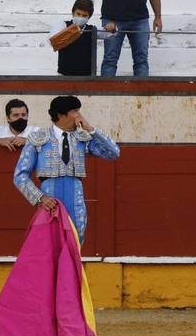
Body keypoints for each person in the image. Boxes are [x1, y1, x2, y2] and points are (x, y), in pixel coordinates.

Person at [14, 95, 120, 245]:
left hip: (75, 203)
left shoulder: (83, 138)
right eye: (75, 111)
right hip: (50, 202)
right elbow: (20, 176)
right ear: (61, 115)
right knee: (48, 248)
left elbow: (113, 153)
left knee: (74, 245)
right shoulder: (38, 138)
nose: (79, 115)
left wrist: (90, 129)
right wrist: (40, 198)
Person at [52, 0, 97, 77]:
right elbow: (53, 38)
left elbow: (106, 33)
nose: (80, 17)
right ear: (73, 13)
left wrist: (111, 28)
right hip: (65, 73)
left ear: (89, 17)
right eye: (78, 14)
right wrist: (72, 31)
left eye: (84, 15)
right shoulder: (64, 25)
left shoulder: (91, 29)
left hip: (86, 75)